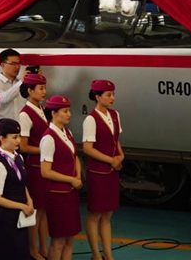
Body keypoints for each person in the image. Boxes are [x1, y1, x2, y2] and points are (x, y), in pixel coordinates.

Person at [83, 79, 124, 260]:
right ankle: (96, 254)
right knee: (95, 214)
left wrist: (120, 156)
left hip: (111, 171)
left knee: (108, 214)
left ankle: (108, 255)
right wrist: (111, 160)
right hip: (98, 172)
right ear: (97, 97)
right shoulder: (91, 119)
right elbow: (88, 148)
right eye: (108, 95)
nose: (112, 98)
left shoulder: (114, 115)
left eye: (113, 94)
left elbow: (115, 139)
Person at [40, 96, 82, 260]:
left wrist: (77, 175)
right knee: (58, 241)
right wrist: (71, 179)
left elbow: (75, 157)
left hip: (70, 193)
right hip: (57, 195)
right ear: (54, 113)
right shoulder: (49, 138)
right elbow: (46, 171)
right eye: (65, 111)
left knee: (70, 238)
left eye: (68, 110)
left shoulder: (67, 133)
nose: (69, 114)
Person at [0, 118, 34, 260]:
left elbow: (21, 183)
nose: (18, 140)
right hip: (7, 219)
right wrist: (21, 206)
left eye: (19, 136)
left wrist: (29, 200)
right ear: (2, 138)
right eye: (14, 137)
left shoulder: (18, 157)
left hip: (20, 216)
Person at [18, 73, 49, 260]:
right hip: (35, 165)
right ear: (30, 91)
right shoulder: (25, 114)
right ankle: (32, 248)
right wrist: (45, 150)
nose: (44, 92)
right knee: (36, 209)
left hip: (43, 164)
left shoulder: (41, 109)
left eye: (45, 88)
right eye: (40, 88)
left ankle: (44, 247)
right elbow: (23, 146)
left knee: (44, 210)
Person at [0, 49, 27, 121]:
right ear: (3, 65)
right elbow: (3, 99)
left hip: (21, 127)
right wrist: (22, 81)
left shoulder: (22, 83)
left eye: (19, 63)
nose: (17, 67)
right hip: (3, 128)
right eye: (13, 64)